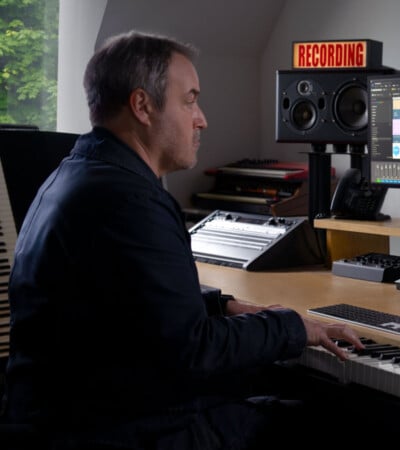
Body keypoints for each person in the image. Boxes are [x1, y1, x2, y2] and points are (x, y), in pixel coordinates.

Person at [2, 30, 364, 449]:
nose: (202, 118)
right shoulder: (128, 200)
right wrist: (292, 326)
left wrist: (223, 305)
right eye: (189, 99)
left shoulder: (75, 176)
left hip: (68, 421)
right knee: (336, 422)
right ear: (142, 106)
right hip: (119, 431)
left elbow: (134, 303)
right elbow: (193, 351)